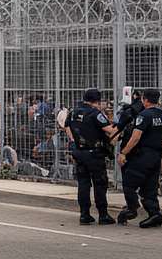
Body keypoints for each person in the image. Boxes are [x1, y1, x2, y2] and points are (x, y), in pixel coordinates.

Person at [117, 88, 162, 228]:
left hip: (142, 155)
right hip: (157, 155)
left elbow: (136, 137)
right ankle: (154, 213)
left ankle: (131, 209)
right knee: (149, 186)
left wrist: (123, 153)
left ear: (145, 99)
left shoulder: (144, 115)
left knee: (129, 183)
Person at [63, 88, 117, 225]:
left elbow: (66, 126)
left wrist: (74, 140)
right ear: (96, 101)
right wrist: (120, 126)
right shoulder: (94, 113)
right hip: (94, 154)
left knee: (83, 183)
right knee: (100, 183)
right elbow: (110, 130)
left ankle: (84, 214)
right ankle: (103, 215)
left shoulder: (74, 111)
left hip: (79, 152)